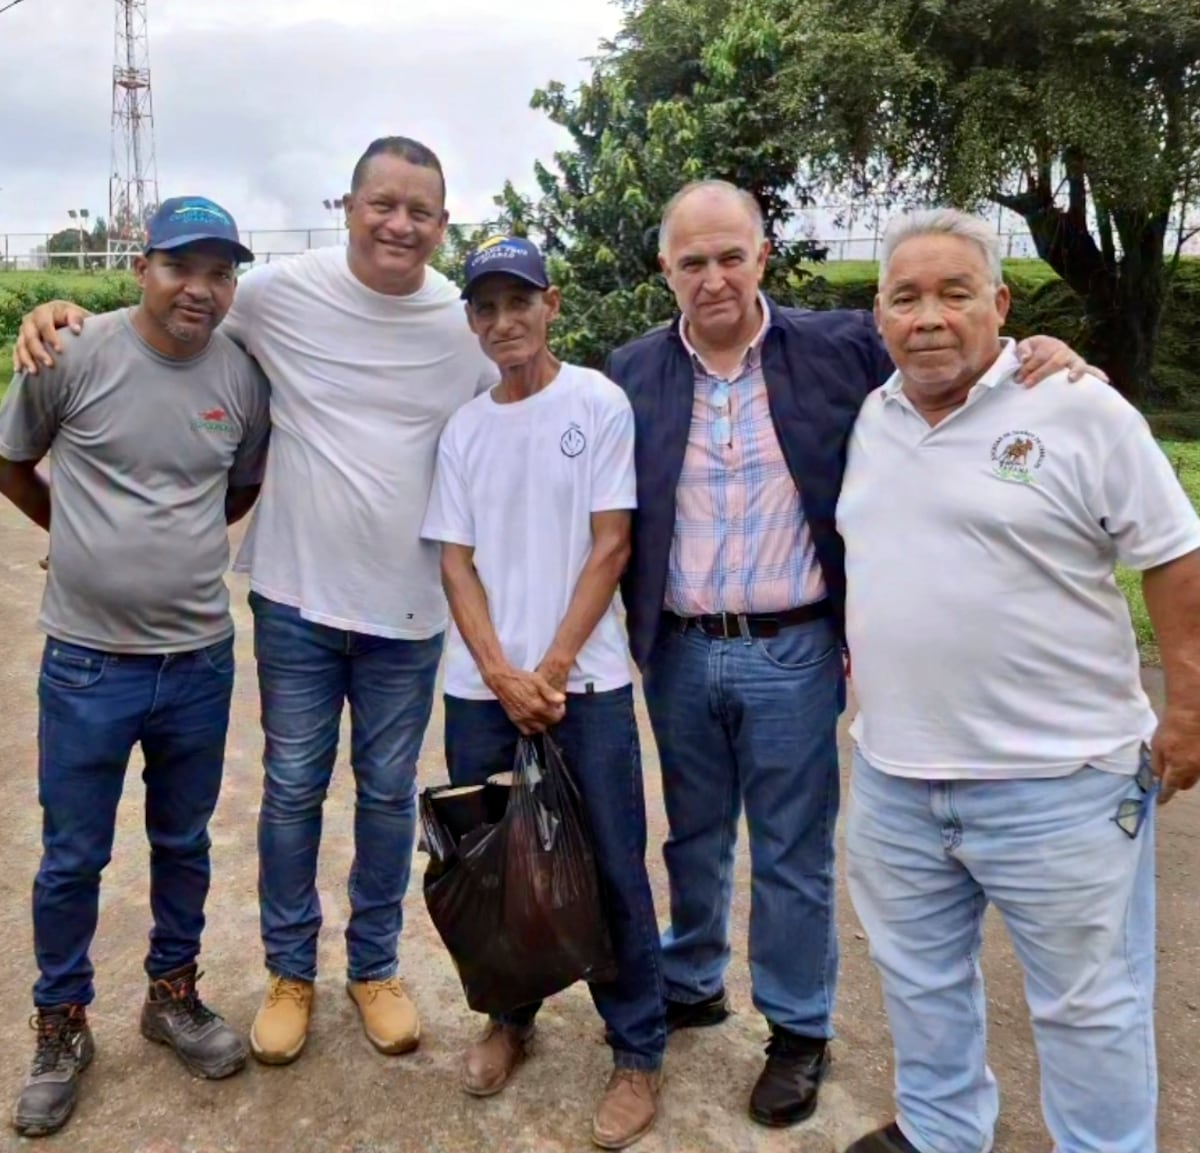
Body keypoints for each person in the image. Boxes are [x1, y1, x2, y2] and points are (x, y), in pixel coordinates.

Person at [603, 180, 1095, 1128]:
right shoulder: (631, 372)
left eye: (730, 256)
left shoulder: (837, 344)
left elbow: (952, 353)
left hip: (793, 647)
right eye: (692, 262)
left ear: (763, 257)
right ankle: (693, 974)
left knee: (790, 852)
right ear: (666, 269)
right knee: (691, 834)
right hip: (678, 650)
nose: (713, 278)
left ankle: (796, 1029)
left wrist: (1044, 349)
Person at [11, 137, 499, 1067]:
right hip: (296, 602)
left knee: (388, 796)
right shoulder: (280, 292)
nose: (400, 224)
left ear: (443, 223)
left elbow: (513, 401)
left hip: (408, 612)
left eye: (421, 211)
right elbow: (161, 325)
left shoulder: (460, 322)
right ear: (349, 207)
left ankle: (374, 966)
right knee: (289, 792)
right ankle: (287, 972)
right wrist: (58, 308)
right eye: (382, 204)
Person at [836, 209, 1200, 1153]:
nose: (929, 317)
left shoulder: (1077, 406)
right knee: (919, 982)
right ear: (879, 316)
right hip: (895, 780)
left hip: (1061, 786)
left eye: (955, 293)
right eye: (905, 297)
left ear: (998, 304)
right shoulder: (872, 418)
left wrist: (1191, 707)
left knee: (1090, 1009)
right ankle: (943, 1133)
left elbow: (1175, 552)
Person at [0, 196, 270, 1138]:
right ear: (140, 267)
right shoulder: (70, 354)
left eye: (221, 272)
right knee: (73, 855)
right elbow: (12, 459)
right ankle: (62, 1023)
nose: (200, 289)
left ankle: (171, 994)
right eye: (181, 266)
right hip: (85, 663)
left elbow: (240, 485)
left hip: (197, 659)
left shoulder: (242, 376)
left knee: (185, 845)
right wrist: (75, 537)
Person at [420, 237, 666, 1150]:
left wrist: (552, 668)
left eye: (517, 302)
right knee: (495, 867)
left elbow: (611, 545)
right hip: (482, 690)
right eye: (484, 307)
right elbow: (455, 559)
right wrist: (498, 672)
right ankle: (510, 1017)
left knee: (610, 860)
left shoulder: (598, 403)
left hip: (585, 684)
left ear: (550, 304)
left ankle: (636, 1048)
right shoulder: (466, 426)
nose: (502, 322)